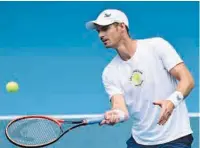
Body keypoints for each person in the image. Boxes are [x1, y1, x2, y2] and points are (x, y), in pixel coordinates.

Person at [85, 9, 195, 148]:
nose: (101, 35)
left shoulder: (157, 46)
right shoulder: (109, 72)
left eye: (105, 29)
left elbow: (187, 80)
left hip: (175, 139)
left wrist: (172, 101)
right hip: (140, 142)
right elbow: (121, 109)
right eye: (98, 31)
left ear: (122, 27)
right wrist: (115, 114)